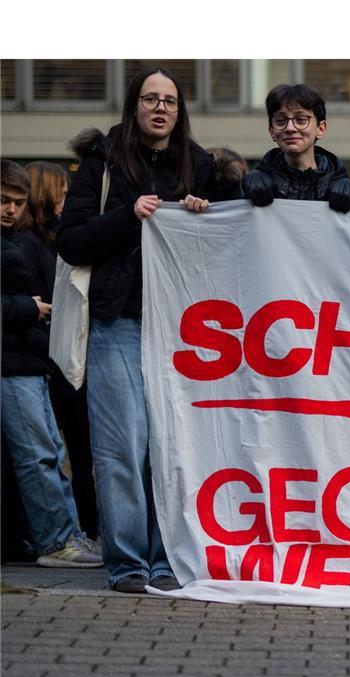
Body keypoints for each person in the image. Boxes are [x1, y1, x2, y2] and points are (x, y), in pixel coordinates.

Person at [56, 66, 226, 593]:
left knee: (174, 447)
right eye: (150, 99)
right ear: (134, 107)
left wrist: (203, 214)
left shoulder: (200, 167)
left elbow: (228, 243)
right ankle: (128, 562)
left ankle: (167, 558)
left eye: (170, 101)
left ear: (181, 110)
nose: (160, 108)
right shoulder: (101, 164)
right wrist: (129, 216)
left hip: (185, 334)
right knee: (122, 448)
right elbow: (73, 242)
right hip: (119, 324)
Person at [1, 159, 102, 569]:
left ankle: (62, 535)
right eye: (3, 201)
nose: (10, 209)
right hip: (13, 362)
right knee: (38, 453)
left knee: (47, 451)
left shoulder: (17, 240)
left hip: (26, 360)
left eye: (17, 202)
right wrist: (28, 309)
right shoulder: (20, 243)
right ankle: (57, 540)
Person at [241, 84, 350, 212]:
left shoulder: (341, 189)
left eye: (301, 119)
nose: (290, 128)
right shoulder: (252, 185)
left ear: (321, 129)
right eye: (280, 121)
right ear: (271, 131)